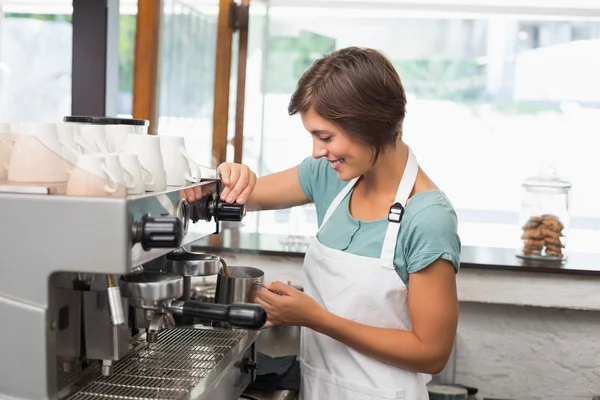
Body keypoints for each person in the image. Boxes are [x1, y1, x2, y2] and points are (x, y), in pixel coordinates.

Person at [185, 47, 460, 399]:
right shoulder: (331, 175)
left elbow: (431, 352)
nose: (316, 151)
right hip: (319, 388)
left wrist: (314, 317)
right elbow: (237, 196)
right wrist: (226, 175)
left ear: (371, 125)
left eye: (325, 137)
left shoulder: (427, 217)